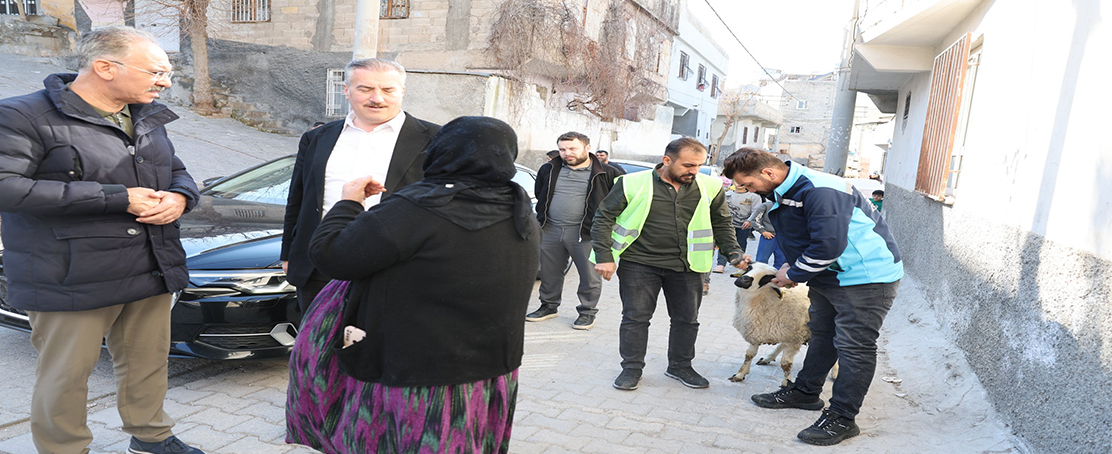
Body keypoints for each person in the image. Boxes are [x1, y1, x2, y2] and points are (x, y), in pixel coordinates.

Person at [0, 26, 204, 454]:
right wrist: (116, 199)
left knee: (148, 363)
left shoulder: (145, 115)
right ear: (105, 67)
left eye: (167, 73)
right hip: (70, 274)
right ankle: (64, 448)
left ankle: (151, 437)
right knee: (66, 375)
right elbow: (7, 187)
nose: (165, 81)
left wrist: (180, 197)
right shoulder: (21, 116)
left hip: (150, 263)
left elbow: (177, 170)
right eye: (157, 71)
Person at [285, 116, 539, 453]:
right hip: (489, 368)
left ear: (440, 151)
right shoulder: (518, 208)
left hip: (412, 376)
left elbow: (332, 256)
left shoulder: (418, 206)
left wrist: (348, 202)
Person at [723, 147, 903, 446]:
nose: (749, 191)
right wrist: (791, 266)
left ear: (767, 173)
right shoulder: (786, 187)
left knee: (854, 346)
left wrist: (793, 275)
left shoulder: (821, 190)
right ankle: (806, 392)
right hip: (830, 275)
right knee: (822, 333)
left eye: (750, 185)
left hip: (864, 277)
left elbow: (828, 246)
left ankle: (843, 418)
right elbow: (805, 237)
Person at [281, 58, 440, 313]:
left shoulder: (435, 139)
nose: (377, 98)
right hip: (319, 267)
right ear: (346, 91)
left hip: (397, 268)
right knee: (319, 348)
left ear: (402, 92)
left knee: (383, 350)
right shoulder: (317, 137)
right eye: (365, 89)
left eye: (388, 90)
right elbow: (298, 198)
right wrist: (288, 253)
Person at [591, 137, 743, 391]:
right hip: (639, 263)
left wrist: (734, 253)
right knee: (635, 318)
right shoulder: (631, 183)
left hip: (688, 265)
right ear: (667, 160)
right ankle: (631, 368)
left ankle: (680, 366)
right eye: (688, 165)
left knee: (687, 319)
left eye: (698, 165)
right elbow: (603, 218)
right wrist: (604, 256)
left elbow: (722, 223)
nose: (694, 171)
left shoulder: (710, 186)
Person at [526, 132, 623, 329]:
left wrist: (607, 229)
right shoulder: (548, 169)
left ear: (587, 148)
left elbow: (621, 202)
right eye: (562, 149)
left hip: (586, 233)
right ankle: (548, 306)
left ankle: (587, 312)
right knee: (549, 272)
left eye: (572, 149)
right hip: (551, 229)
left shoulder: (608, 173)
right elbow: (540, 193)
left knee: (589, 275)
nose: (567, 153)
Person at [712, 185, 762, 273]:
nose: (739, 184)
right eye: (736, 181)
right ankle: (721, 264)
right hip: (727, 224)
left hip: (743, 226)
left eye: (742, 183)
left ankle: (740, 264)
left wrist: (749, 221)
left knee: (741, 244)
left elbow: (756, 211)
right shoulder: (726, 194)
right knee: (724, 242)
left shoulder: (753, 196)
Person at [738, 200, 785, 276]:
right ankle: (758, 277)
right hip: (768, 237)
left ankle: (777, 278)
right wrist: (763, 231)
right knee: (761, 260)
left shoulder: (790, 206)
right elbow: (754, 219)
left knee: (782, 260)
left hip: (784, 238)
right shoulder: (766, 206)